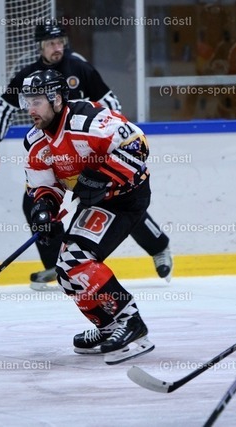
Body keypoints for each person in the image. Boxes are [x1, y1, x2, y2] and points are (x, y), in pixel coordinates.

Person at [0, 20, 172, 291]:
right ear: (40, 46)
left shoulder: (79, 67)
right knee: (36, 204)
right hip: (61, 153)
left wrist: (113, 136)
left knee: (118, 200)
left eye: (60, 42)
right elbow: (4, 107)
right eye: (51, 43)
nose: (57, 48)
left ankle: (158, 246)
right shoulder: (28, 76)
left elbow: (110, 103)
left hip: (92, 150)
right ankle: (55, 262)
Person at [19, 69, 156, 364]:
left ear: (56, 99)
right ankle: (108, 326)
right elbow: (44, 185)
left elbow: (137, 144)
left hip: (126, 197)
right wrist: (43, 208)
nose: (30, 109)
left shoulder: (88, 120)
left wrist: (102, 177)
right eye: (27, 102)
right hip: (97, 203)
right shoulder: (36, 141)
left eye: (36, 101)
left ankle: (131, 322)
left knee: (78, 259)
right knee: (65, 271)